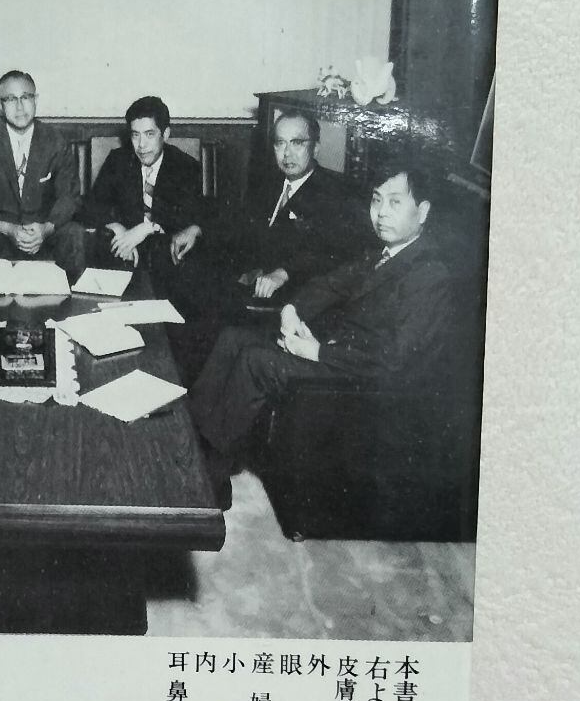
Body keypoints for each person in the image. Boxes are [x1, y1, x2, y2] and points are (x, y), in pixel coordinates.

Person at [186, 161, 457, 509]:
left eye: (394, 202)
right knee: (233, 338)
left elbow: (394, 359)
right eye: (376, 200)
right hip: (338, 357)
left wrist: (316, 352)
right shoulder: (381, 254)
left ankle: (209, 479)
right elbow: (327, 285)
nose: (381, 213)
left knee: (256, 361)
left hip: (361, 383)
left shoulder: (430, 275)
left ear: (423, 212)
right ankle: (190, 444)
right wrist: (291, 310)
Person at [208, 111, 365, 310]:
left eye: (297, 143)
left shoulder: (334, 193)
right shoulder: (266, 184)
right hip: (254, 289)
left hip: (299, 300)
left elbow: (329, 254)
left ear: (315, 148)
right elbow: (239, 230)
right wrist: (199, 229)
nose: (287, 153)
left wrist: (284, 273)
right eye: (280, 143)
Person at [0, 70, 87, 280]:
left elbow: (69, 196)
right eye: (11, 99)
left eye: (26, 97)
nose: (19, 107)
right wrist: (10, 230)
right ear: (0, 105)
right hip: (3, 231)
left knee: (74, 233)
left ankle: (71, 298)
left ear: (35, 100)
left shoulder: (55, 141)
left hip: (44, 230)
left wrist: (45, 229)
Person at [83, 95, 206, 301]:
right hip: (123, 251)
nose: (141, 145)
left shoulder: (185, 166)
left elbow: (185, 219)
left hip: (165, 255)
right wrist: (119, 230)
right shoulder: (118, 160)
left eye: (149, 134)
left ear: (165, 134)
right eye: (135, 135)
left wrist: (146, 229)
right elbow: (90, 206)